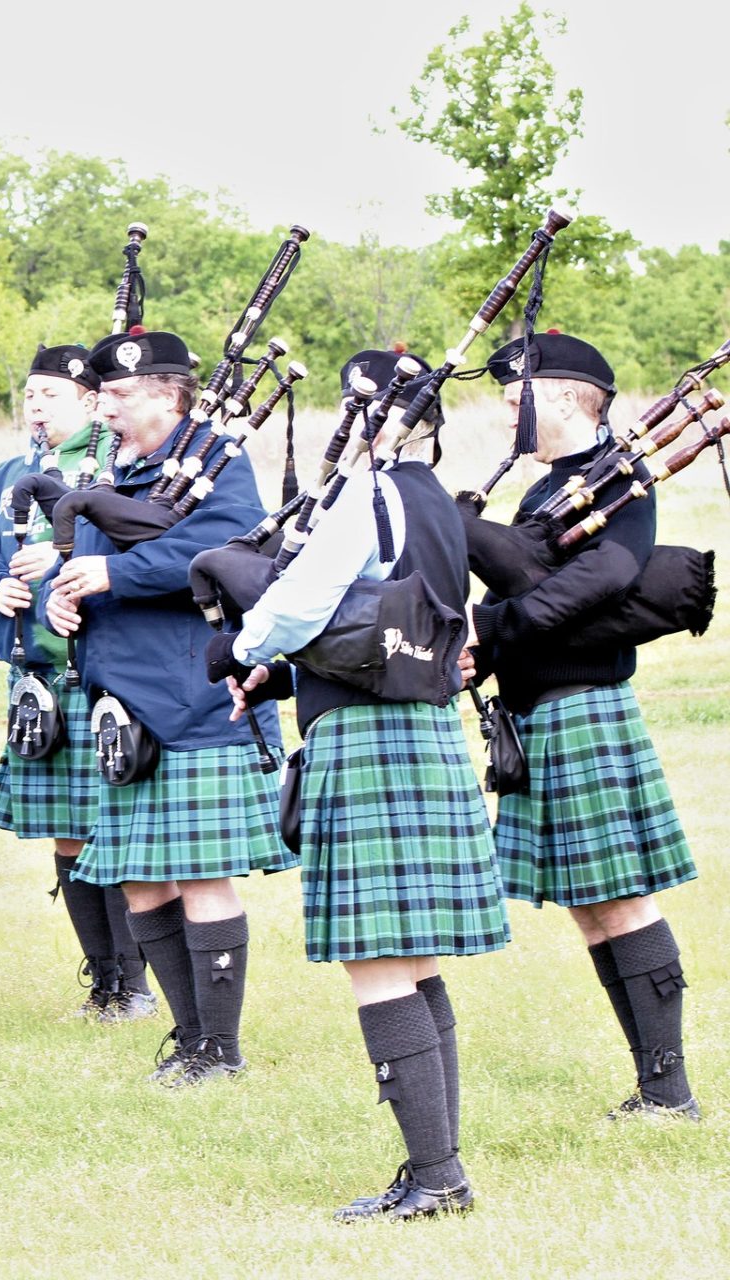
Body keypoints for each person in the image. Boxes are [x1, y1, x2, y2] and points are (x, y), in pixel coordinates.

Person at [216, 351, 507, 1220]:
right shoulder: (440, 508)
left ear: (374, 416)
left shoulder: (370, 495)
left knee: (377, 960)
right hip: (422, 729)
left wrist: (243, 648)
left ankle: (437, 1176)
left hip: (369, 736)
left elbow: (304, 606)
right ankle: (439, 1166)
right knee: (412, 961)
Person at [44, 328, 289, 1086]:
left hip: (193, 697)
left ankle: (220, 1046)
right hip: (121, 701)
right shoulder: (118, 467)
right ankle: (189, 1039)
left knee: (202, 874)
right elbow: (87, 560)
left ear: (166, 394)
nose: (104, 408)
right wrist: (66, 601)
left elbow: (225, 551)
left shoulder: (218, 464)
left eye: (117, 395)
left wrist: (110, 577)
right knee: (142, 878)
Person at [469, 332, 700, 1120]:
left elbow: (608, 576)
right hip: (543, 711)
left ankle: (670, 1091)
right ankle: (653, 1085)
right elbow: (540, 581)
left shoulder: (621, 478)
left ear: (563, 395)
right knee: (590, 904)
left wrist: (495, 629)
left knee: (623, 898)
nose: (507, 415)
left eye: (514, 398)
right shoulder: (555, 486)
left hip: (584, 709)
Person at [0, 344, 155, 1022]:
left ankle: (135, 982)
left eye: (50, 395)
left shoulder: (120, 469)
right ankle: (103, 982)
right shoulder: (10, 474)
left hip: (105, 671)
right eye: (30, 395)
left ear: (89, 401)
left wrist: (71, 556)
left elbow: (142, 550)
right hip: (37, 672)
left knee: (114, 826)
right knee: (68, 833)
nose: (36, 407)